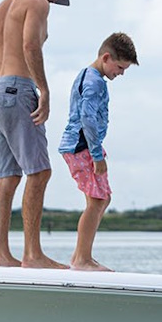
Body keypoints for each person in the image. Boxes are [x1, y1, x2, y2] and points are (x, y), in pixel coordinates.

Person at [0, 0, 73, 268]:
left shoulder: (3, 5)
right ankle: (33, 255)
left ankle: (0, 255)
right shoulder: (37, 2)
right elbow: (31, 45)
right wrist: (44, 90)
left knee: (8, 176)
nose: (55, 1)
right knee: (39, 172)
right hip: (17, 88)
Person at [58, 32, 138, 271]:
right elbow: (87, 118)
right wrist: (96, 155)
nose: (121, 73)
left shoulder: (89, 76)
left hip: (84, 145)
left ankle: (80, 256)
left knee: (102, 198)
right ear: (106, 58)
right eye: (120, 67)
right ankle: (81, 259)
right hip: (81, 146)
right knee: (98, 200)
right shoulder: (94, 82)